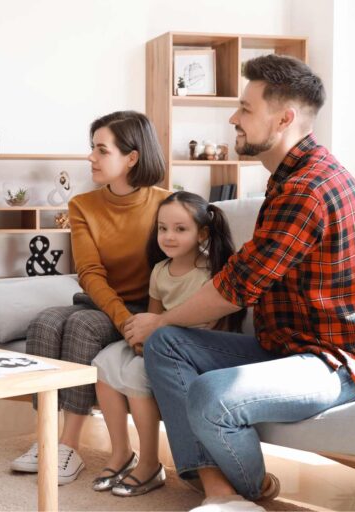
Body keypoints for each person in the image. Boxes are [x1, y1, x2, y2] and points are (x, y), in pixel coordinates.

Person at [126, 55, 355, 512]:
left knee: (211, 394)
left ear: (284, 119)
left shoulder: (308, 188)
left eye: (246, 109)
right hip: (289, 346)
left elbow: (237, 287)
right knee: (167, 344)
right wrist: (162, 328)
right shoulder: (287, 178)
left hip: (339, 362)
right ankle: (220, 491)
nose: (233, 118)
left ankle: (249, 489)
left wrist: (159, 319)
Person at [11, 111, 170, 484]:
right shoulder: (83, 205)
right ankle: (46, 437)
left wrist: (139, 322)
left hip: (144, 308)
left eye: (102, 150)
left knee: (82, 325)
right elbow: (90, 273)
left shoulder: (167, 204)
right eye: (92, 148)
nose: (91, 157)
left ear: (132, 157)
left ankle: (68, 445)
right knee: (44, 322)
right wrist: (122, 321)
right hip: (105, 303)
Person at [92, 191, 244, 497]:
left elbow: (215, 328)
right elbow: (153, 318)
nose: (169, 236)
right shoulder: (160, 271)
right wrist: (139, 339)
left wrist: (155, 341)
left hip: (192, 348)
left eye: (180, 229)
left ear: (202, 233)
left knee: (136, 374)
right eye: (163, 228)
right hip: (159, 339)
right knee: (103, 364)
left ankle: (150, 463)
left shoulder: (211, 273)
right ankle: (121, 452)